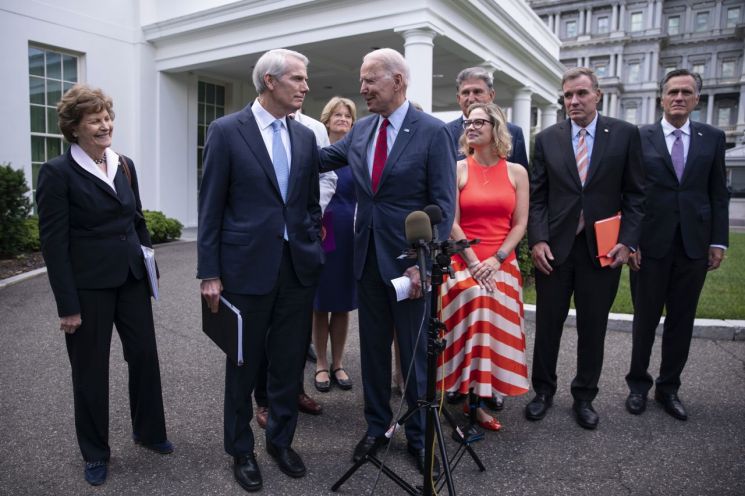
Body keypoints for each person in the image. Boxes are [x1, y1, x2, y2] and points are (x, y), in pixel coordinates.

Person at [319, 48, 456, 475]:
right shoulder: (359, 130)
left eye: (370, 81)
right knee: (373, 355)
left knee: (414, 358)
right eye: (361, 81)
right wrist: (279, 136)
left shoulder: (432, 132)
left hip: (409, 266)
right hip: (366, 263)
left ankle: (419, 438)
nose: (362, 89)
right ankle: (377, 428)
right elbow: (321, 159)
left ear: (397, 81)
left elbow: (443, 205)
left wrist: (422, 263)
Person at [197, 48, 323, 492]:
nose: (305, 86)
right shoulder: (227, 131)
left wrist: (312, 242)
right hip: (244, 269)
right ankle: (241, 450)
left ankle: (280, 441)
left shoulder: (306, 136)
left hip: (296, 269)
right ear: (270, 81)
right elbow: (210, 206)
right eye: (298, 79)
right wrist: (209, 272)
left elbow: (308, 203)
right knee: (242, 363)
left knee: (288, 363)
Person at [36, 84, 172, 486]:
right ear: (74, 128)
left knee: (145, 356)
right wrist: (67, 305)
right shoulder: (57, 173)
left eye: (107, 117)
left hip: (131, 279)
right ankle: (95, 451)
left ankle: (149, 431)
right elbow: (54, 244)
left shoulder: (124, 164)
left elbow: (138, 220)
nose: (104, 125)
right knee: (90, 371)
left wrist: (149, 264)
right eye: (94, 119)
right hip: (88, 287)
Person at [526, 67, 644, 430]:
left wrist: (628, 240)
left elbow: (637, 195)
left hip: (602, 252)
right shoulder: (546, 138)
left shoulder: (625, 135)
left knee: (594, 328)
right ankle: (543, 391)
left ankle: (584, 396)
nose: (573, 101)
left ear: (598, 95)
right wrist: (539, 240)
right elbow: (537, 196)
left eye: (580, 94)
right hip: (555, 250)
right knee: (548, 325)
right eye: (567, 96)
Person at [624, 69, 729, 421]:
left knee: (681, 321)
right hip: (649, 246)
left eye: (686, 92)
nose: (679, 97)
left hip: (693, 246)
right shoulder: (640, 137)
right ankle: (638, 386)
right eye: (673, 92)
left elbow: (718, 193)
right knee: (645, 320)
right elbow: (631, 194)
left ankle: (669, 389)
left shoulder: (712, 138)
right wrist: (630, 240)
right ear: (662, 98)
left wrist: (718, 241)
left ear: (696, 99)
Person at [438, 102, 530, 431]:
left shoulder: (516, 172)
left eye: (479, 122)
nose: (471, 127)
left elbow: (520, 224)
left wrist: (497, 259)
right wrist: (475, 262)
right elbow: (450, 220)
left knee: (492, 301)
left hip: (501, 261)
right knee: (477, 300)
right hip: (464, 261)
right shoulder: (458, 168)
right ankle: (463, 395)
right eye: (467, 122)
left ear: (495, 128)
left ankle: (479, 398)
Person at [252, 109, 336, 428]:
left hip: (300, 245)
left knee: (297, 329)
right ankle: (263, 400)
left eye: (305, 80)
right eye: (296, 79)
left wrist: (308, 221)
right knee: (264, 330)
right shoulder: (251, 127)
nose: (302, 87)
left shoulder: (313, 129)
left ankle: (294, 391)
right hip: (264, 246)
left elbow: (326, 177)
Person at [312, 96, 358, 393]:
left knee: (341, 304)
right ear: (327, 119)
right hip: (320, 229)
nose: (343, 118)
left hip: (348, 232)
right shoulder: (318, 152)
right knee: (319, 304)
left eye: (348, 115)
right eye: (337, 114)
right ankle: (319, 364)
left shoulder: (358, 154)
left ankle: (338, 363)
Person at [446, 66, 529, 168]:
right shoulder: (446, 133)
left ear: (492, 95)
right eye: (465, 93)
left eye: (477, 92)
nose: (471, 99)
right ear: (458, 98)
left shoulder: (514, 133)